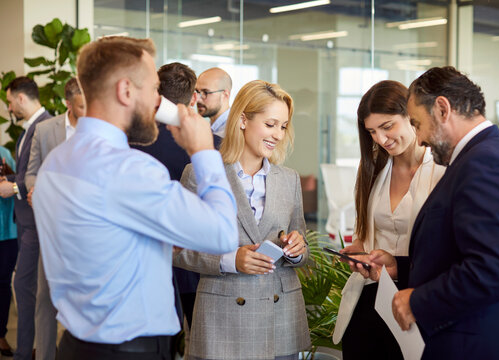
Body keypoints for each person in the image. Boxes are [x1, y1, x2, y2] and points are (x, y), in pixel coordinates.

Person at [31, 36, 239, 360]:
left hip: (74, 346)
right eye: (155, 88)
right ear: (126, 91)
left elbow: (98, 239)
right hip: (130, 351)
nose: (159, 101)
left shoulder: (55, 164)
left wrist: (156, 241)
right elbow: (224, 233)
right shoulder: (131, 170)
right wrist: (202, 151)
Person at [358, 66, 499, 360]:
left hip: (481, 343)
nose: (421, 137)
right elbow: (462, 253)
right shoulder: (483, 156)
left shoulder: (486, 163)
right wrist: (400, 268)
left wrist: (418, 301)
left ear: (442, 109)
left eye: (417, 123)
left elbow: (492, 270)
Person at [175, 80, 311, 360]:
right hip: (221, 320)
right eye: (271, 124)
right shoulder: (201, 173)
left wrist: (298, 249)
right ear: (242, 120)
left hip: (280, 319)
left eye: (283, 126)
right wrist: (229, 260)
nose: (278, 134)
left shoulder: (289, 180)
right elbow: (178, 250)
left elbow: (303, 245)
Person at [332, 80, 445, 360]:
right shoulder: (373, 167)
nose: (381, 140)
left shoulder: (442, 170)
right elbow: (363, 234)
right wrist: (358, 254)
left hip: (418, 299)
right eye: (372, 131)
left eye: (387, 127)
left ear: (410, 116)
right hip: (371, 297)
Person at [130, 62, 222, 353]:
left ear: (156, 93)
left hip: (149, 256)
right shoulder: (215, 145)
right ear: (193, 97)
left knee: (158, 343)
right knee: (206, 341)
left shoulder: (132, 141)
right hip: (199, 256)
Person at [23, 77, 85, 360]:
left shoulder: (102, 130)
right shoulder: (46, 130)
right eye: (82, 106)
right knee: (45, 298)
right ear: (68, 103)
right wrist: (35, 189)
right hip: (52, 228)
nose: (88, 113)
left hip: (88, 229)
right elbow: (31, 170)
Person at [0, 76, 52, 360]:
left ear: (21, 98)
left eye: (9, 101)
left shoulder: (45, 127)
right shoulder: (29, 130)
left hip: (35, 219)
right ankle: (30, 350)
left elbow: (45, 172)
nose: (9, 107)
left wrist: (15, 187)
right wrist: (10, 178)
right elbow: (24, 171)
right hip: (26, 220)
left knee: (26, 286)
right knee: (26, 287)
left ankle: (28, 352)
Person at [0, 146, 17, 357]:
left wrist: (9, 176)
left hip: (7, 232)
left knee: (3, 284)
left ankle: (0, 334)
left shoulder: (4, 151)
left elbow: (16, 186)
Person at [195, 67, 231, 138]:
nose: (198, 99)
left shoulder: (234, 131)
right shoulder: (209, 128)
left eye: (205, 92)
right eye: (197, 92)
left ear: (225, 95)